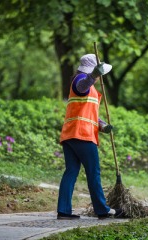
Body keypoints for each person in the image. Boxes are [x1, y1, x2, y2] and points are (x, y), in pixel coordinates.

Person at [57, 54, 123, 220]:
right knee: (93, 172)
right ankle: (102, 209)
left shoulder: (89, 86)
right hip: (82, 135)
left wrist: (102, 125)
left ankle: (63, 210)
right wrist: (93, 75)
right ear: (92, 70)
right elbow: (82, 86)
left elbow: (87, 112)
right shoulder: (81, 80)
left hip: (70, 134)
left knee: (71, 171)